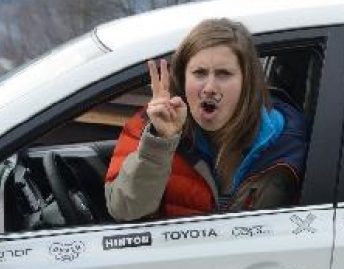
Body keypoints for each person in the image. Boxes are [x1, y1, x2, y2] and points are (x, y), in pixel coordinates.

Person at [105, 18, 308, 221]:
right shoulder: (147, 127)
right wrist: (159, 143)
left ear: (247, 82)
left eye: (224, 74)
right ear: (183, 79)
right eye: (199, 73)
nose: (209, 87)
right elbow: (124, 210)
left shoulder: (291, 142)